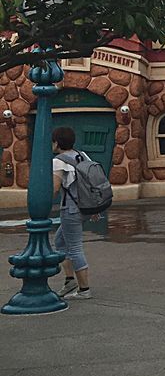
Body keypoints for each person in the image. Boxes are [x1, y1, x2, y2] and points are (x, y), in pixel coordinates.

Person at [51, 127, 94, 300]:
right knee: (60, 240)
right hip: (84, 207)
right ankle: (70, 280)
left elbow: (54, 188)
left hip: (71, 208)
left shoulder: (58, 161)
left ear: (57, 143)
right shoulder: (82, 155)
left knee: (75, 248)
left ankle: (84, 289)